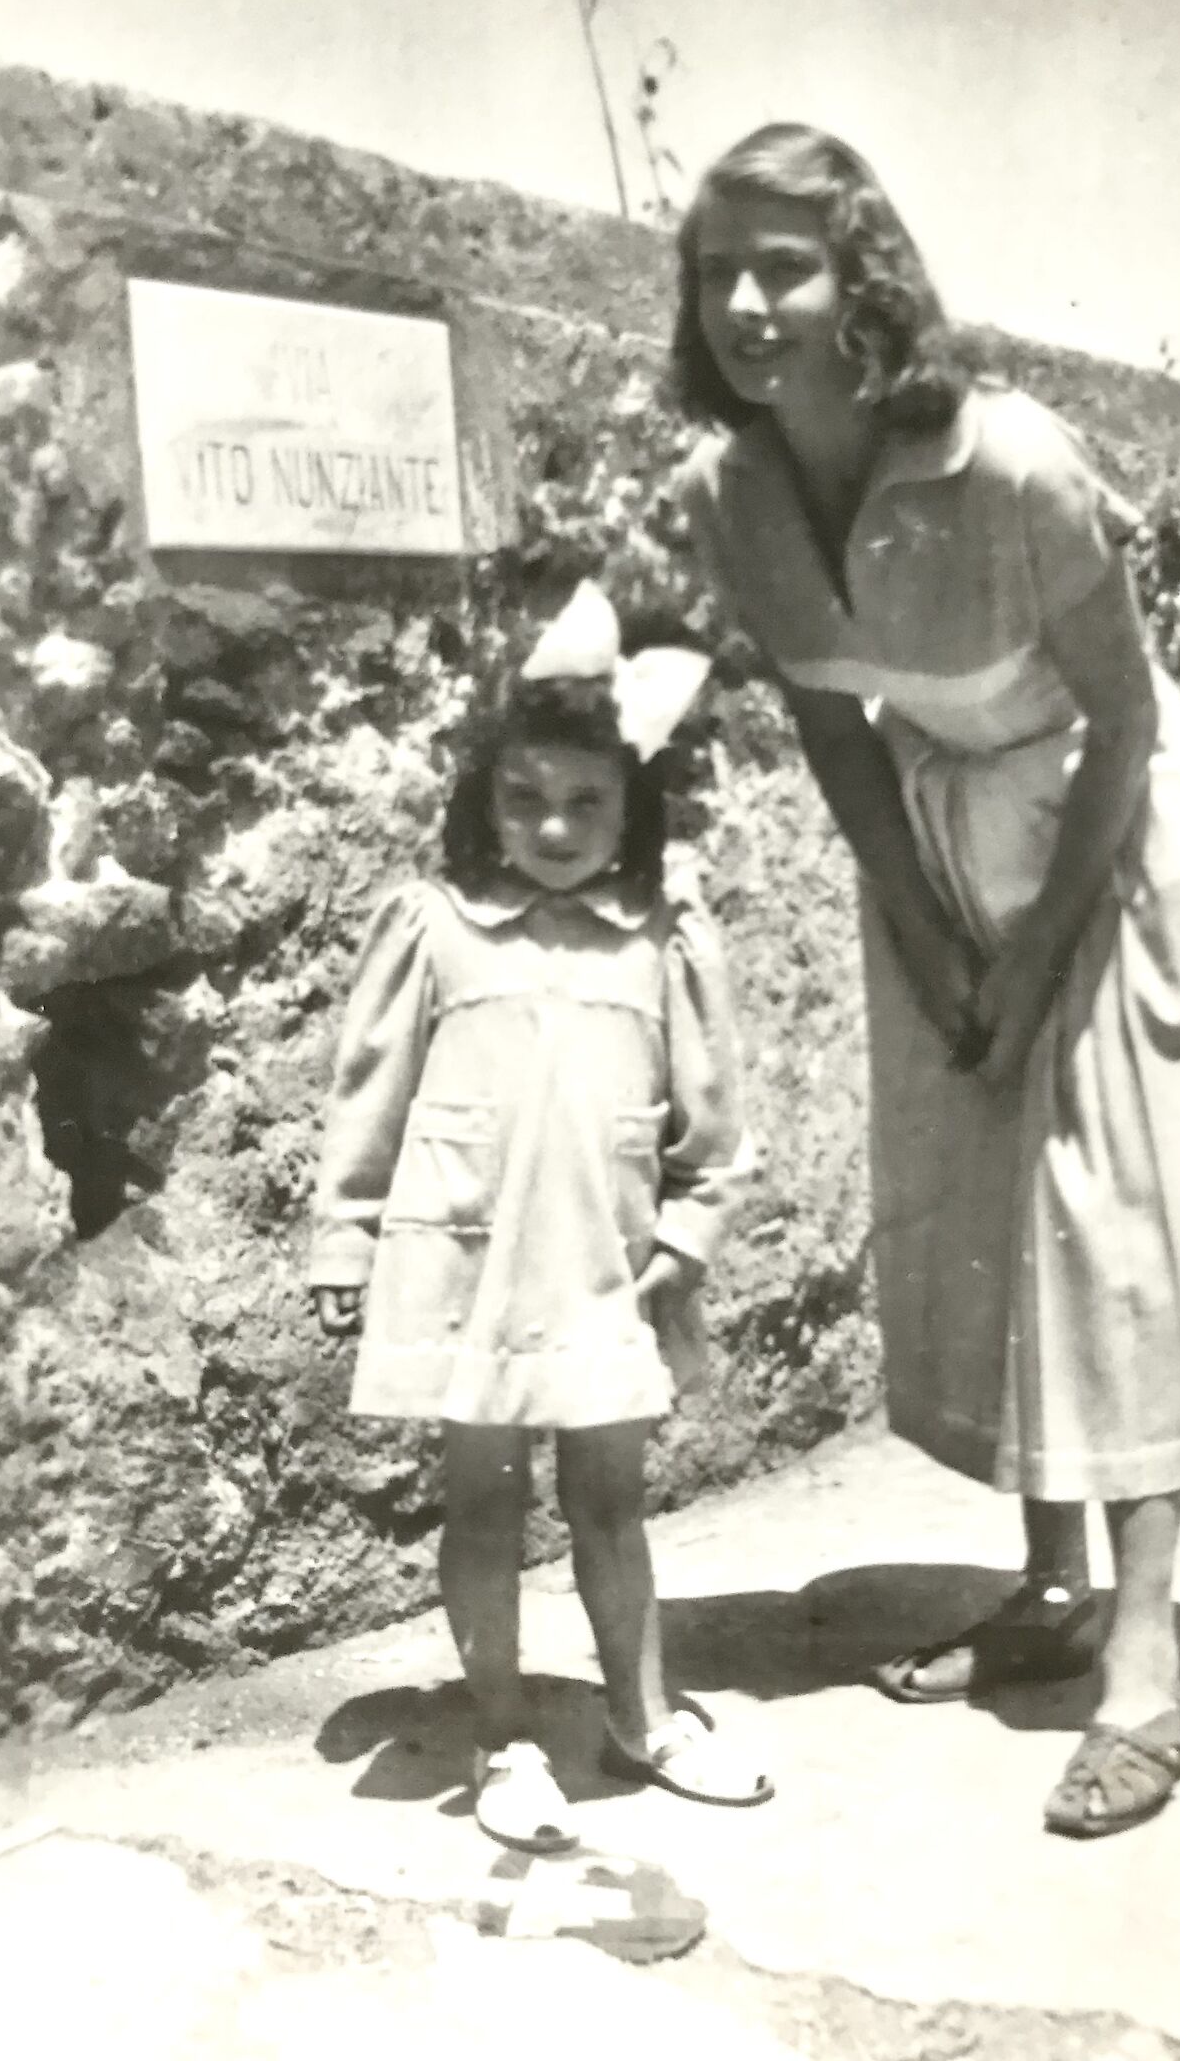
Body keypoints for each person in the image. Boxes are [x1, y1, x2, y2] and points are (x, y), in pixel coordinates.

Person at [674, 124, 1180, 1839]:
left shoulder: (1009, 463)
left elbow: (1125, 722)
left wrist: (1032, 964)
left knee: (1117, 1227)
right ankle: (1042, 1590)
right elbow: (829, 729)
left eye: (782, 264)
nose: (743, 303)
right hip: (938, 849)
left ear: (860, 274)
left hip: (1110, 843)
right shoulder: (734, 497)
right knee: (990, 1215)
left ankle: (1144, 1658)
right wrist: (936, 937)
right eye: (717, 268)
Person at [308, 580, 770, 1852]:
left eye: (585, 802)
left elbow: (714, 1128)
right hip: (468, 1264)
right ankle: (505, 1736)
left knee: (611, 1503)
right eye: (524, 798)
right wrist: (345, 1232)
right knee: (484, 1503)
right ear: (483, 800)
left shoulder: (661, 941)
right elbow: (369, 1092)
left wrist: (686, 1245)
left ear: (630, 812)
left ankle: (644, 1714)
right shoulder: (436, 926)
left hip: (607, 1273)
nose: (554, 826)